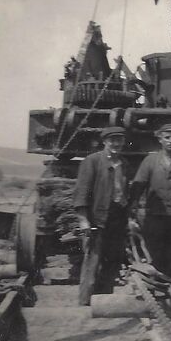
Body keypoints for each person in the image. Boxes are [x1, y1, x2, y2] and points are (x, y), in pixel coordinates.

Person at [129, 124, 171, 283]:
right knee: (154, 253)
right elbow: (138, 186)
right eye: (167, 137)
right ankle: (156, 289)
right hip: (154, 215)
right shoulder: (150, 161)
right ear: (160, 140)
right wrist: (132, 210)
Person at [73, 127, 130, 306]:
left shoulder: (124, 163)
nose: (116, 144)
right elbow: (82, 191)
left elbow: (125, 191)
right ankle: (85, 302)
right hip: (96, 217)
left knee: (112, 260)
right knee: (93, 260)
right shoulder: (92, 161)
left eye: (119, 140)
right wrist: (83, 220)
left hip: (117, 218)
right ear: (104, 142)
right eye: (112, 140)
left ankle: (104, 302)